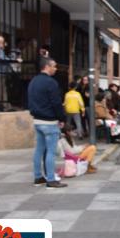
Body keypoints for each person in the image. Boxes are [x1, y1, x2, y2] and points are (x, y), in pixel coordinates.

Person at [28, 57, 68, 188]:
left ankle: (38, 177)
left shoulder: (33, 81)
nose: (56, 69)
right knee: (50, 151)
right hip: (49, 121)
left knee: (39, 150)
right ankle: (51, 179)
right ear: (47, 67)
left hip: (37, 120)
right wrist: (62, 118)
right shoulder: (51, 82)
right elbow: (56, 103)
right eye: (54, 66)